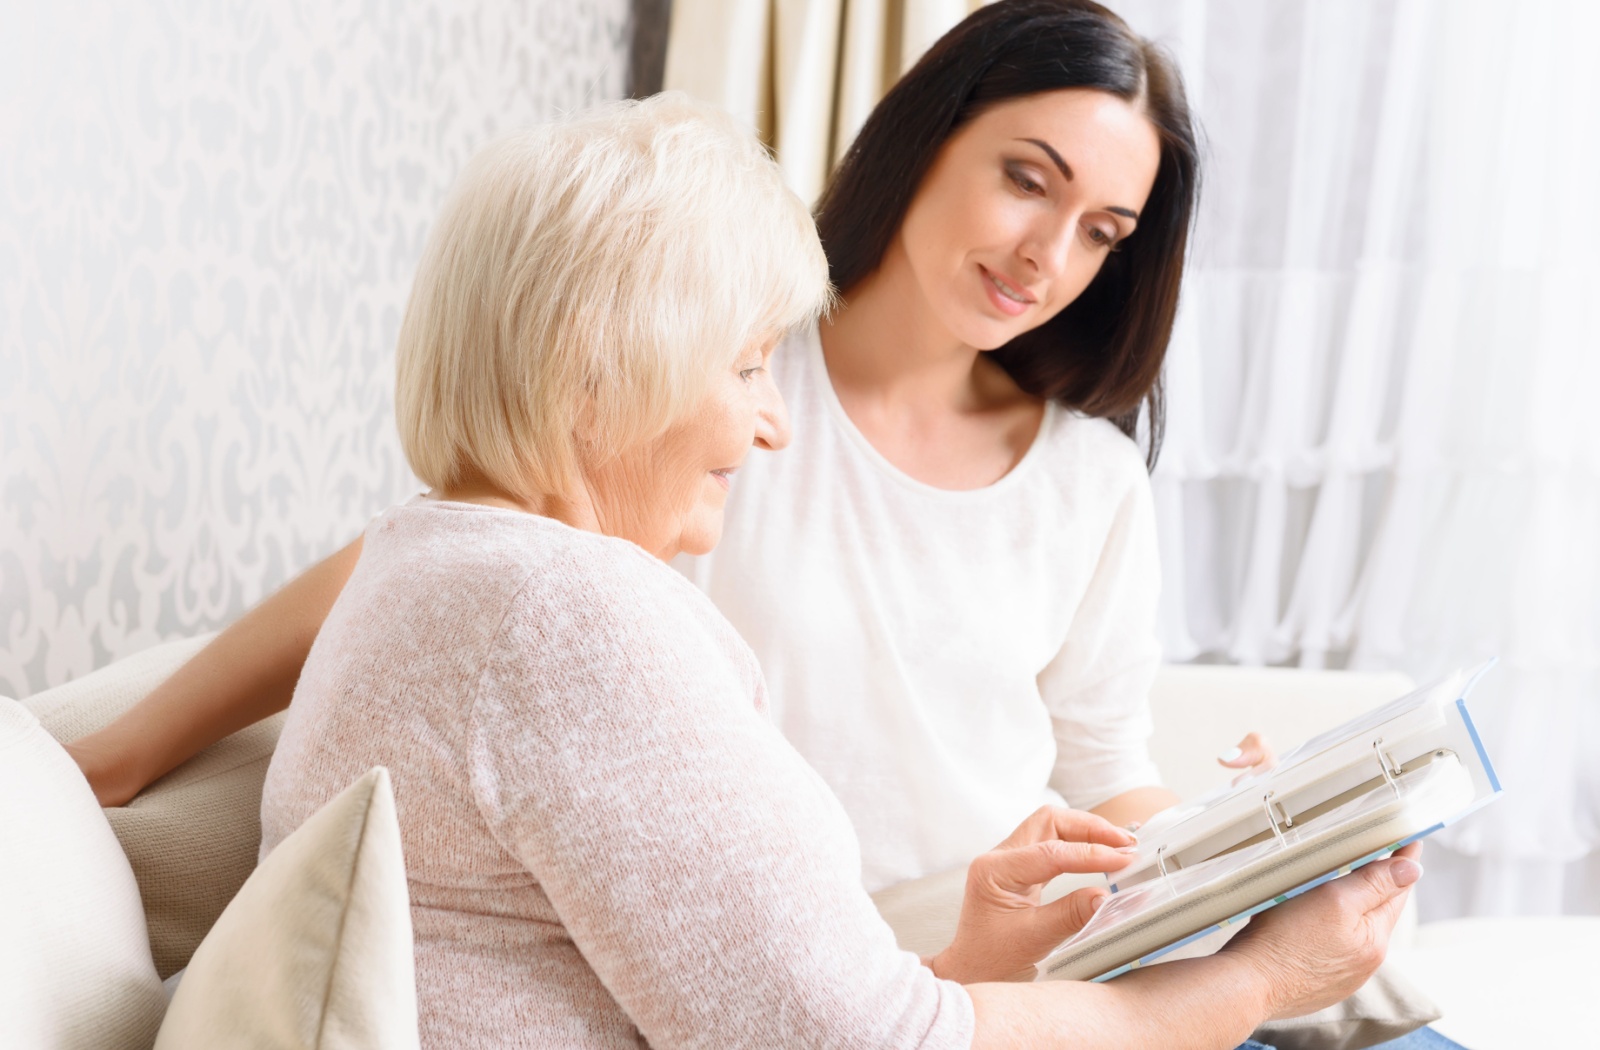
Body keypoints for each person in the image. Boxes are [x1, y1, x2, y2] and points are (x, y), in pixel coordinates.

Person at [257, 91, 1426, 1049]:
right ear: (596, 372)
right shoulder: (569, 614)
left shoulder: (447, 564)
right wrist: (1266, 981)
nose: (774, 425)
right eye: (751, 367)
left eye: (1103, 228)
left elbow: (789, 1013)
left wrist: (991, 951)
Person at [68, 0, 1275, 890]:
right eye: (1026, 180)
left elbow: (1106, 758)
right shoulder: (718, 382)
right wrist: (121, 757)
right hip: (792, 945)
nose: (1045, 256)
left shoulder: (1089, 481)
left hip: (1001, 936)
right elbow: (445, 559)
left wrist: (1247, 842)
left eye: (1102, 232)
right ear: (929, 138)